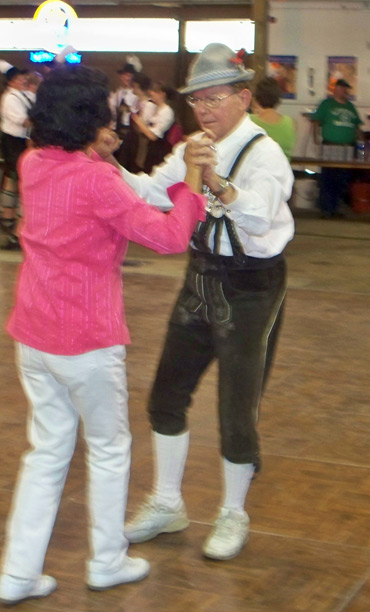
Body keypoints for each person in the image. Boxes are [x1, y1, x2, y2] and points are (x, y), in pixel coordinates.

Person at [0, 65, 205, 605]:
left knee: (46, 452)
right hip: (86, 338)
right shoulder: (96, 180)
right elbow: (168, 237)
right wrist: (193, 183)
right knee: (109, 449)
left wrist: (99, 147)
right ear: (93, 119)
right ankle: (106, 560)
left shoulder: (34, 162)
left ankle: (18, 573)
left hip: (34, 334)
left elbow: (80, 169)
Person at [107, 42, 294, 561]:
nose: (205, 110)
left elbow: (259, 215)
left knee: (237, 407)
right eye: (198, 101)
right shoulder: (193, 144)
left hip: (253, 284)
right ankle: (168, 501)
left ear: (243, 97)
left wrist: (215, 181)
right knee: (166, 395)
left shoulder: (265, 152)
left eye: (215, 99)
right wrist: (105, 165)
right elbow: (152, 190)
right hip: (201, 276)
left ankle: (234, 511)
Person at [312, 78, 363, 218]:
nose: (345, 91)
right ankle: (326, 209)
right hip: (330, 146)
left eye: (347, 88)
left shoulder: (351, 107)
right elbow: (316, 122)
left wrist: (362, 146)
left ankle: (335, 208)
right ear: (336, 89)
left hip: (347, 148)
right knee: (328, 177)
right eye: (343, 88)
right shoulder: (326, 104)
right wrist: (316, 139)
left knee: (342, 178)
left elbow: (357, 127)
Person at [0, 61, 31, 250]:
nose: (23, 80)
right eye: (19, 78)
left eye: (23, 78)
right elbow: (22, 120)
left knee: (13, 178)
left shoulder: (21, 95)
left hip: (19, 142)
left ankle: (8, 217)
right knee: (19, 180)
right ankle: (13, 223)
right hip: (13, 141)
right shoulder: (10, 98)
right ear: (10, 82)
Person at [130, 81, 177, 174]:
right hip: (147, 149)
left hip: (157, 151)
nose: (151, 93)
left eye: (154, 91)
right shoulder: (155, 108)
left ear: (162, 94)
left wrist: (139, 122)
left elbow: (153, 136)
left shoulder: (167, 112)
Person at [250, 76, 296, 160]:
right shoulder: (291, 123)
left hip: (257, 172)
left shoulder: (248, 121)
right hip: (284, 172)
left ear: (257, 98)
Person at [109, 58, 140, 170]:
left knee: (128, 162)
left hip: (130, 131)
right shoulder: (117, 93)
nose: (127, 78)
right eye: (125, 75)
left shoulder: (137, 94)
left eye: (130, 75)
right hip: (117, 130)